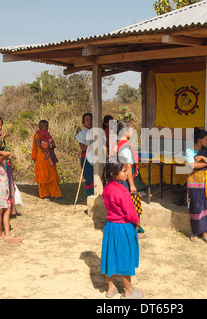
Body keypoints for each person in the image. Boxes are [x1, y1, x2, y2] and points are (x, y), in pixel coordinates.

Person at [100, 156, 144, 299]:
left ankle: (111, 288)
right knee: (125, 258)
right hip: (123, 227)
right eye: (124, 170)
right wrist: (137, 223)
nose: (127, 173)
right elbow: (131, 212)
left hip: (110, 228)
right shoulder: (122, 190)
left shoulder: (107, 188)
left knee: (110, 257)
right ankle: (129, 291)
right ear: (114, 173)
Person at [110, 121, 147, 239]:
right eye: (131, 129)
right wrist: (132, 184)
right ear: (125, 132)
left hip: (122, 179)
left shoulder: (117, 144)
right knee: (132, 205)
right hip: (127, 180)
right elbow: (128, 167)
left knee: (127, 205)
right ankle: (134, 230)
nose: (132, 132)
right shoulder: (125, 146)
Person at [185, 127, 207, 244]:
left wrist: (203, 158)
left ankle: (205, 232)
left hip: (206, 183)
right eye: (206, 139)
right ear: (199, 140)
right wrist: (206, 163)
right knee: (196, 206)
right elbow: (192, 165)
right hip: (194, 183)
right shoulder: (189, 151)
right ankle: (195, 231)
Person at [0, 140, 22, 243]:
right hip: (0, 188)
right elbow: (7, 154)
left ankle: (7, 233)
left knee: (6, 209)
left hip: (0, 187)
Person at [31, 120, 63, 200]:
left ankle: (55, 193)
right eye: (44, 126)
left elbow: (53, 144)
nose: (46, 128)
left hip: (50, 157)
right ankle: (45, 194)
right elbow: (38, 143)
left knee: (53, 175)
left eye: (47, 126)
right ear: (40, 127)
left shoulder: (48, 135)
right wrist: (45, 148)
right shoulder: (37, 134)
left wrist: (51, 146)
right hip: (42, 158)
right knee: (43, 176)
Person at [76, 113, 94, 196]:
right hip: (87, 158)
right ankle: (90, 196)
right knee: (89, 178)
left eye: (90, 119)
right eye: (87, 120)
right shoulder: (82, 134)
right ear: (83, 122)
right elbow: (83, 148)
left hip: (97, 157)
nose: (89, 122)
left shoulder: (96, 131)